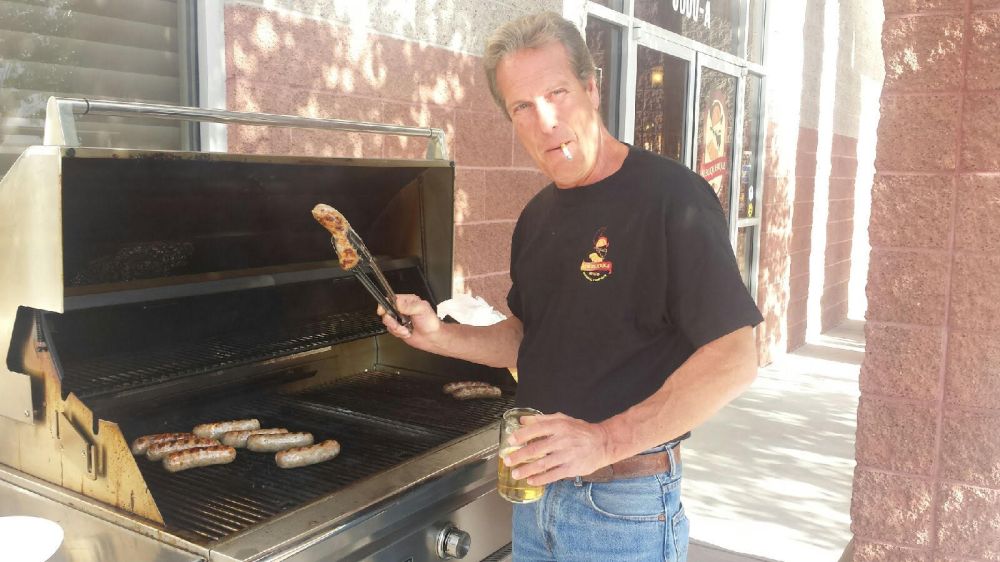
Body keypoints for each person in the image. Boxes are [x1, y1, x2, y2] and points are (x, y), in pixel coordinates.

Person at [378, 11, 763, 562]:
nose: (546, 121)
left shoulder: (672, 199)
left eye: (557, 93)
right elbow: (528, 338)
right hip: (535, 497)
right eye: (523, 107)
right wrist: (440, 336)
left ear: (591, 87)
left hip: (623, 508)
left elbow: (735, 356)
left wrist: (606, 439)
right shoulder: (537, 217)